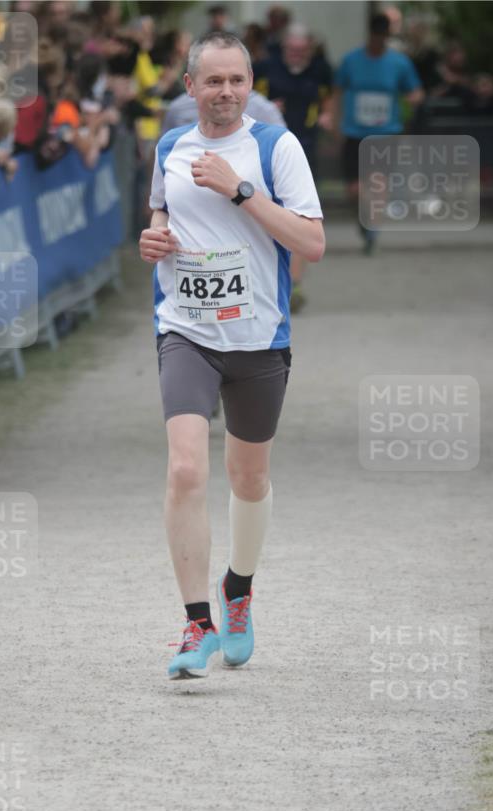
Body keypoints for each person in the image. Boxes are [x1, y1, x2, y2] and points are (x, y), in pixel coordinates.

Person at [139, 31, 324, 680]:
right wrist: (154, 241)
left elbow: (312, 242)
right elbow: (160, 218)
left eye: (236, 81)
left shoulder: (276, 147)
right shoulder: (170, 146)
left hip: (257, 336)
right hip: (186, 330)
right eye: (212, 81)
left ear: (251, 87)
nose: (224, 92)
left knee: (248, 478)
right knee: (186, 470)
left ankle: (237, 591)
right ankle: (196, 624)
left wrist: (241, 190)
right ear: (188, 87)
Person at [254, 24, 333, 310]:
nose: (297, 55)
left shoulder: (321, 70)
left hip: (305, 147)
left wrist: (326, 115)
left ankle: (293, 285)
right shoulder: (265, 68)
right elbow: (247, 100)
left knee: (301, 216)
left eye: (302, 50)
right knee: (270, 215)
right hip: (269, 150)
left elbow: (329, 96)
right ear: (284, 48)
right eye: (292, 50)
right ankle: (267, 282)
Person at [331, 13, 423, 254]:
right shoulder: (351, 61)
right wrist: (335, 123)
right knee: (355, 189)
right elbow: (337, 93)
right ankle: (364, 218)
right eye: (375, 36)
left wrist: (408, 105)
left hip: (386, 133)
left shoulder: (399, 63)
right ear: (369, 35)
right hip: (354, 132)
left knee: (379, 183)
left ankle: (372, 228)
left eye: (383, 37)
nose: (378, 41)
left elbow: (416, 92)